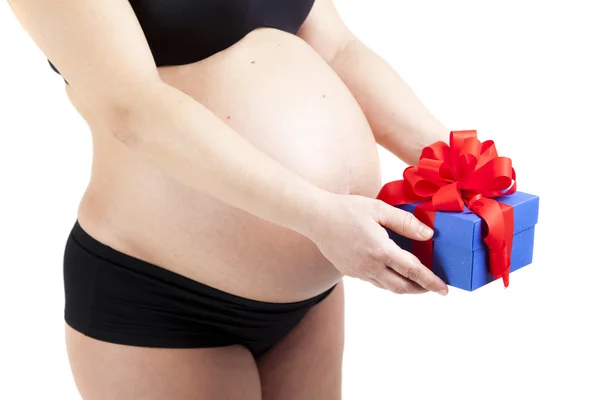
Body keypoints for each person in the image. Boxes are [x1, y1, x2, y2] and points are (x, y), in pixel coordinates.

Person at [9, 0, 450, 398]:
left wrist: (456, 161)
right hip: (161, 301)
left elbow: (336, 48)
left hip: (311, 292)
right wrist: (317, 215)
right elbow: (135, 109)